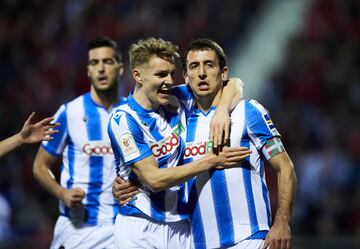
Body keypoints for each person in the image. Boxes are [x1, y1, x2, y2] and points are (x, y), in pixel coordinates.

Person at [114, 38, 297, 249]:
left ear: (223, 73)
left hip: (250, 239)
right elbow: (159, 165)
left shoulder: (249, 112)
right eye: (194, 66)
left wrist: (282, 223)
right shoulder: (178, 117)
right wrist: (124, 180)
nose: (202, 73)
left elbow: (285, 167)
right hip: (197, 242)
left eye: (209, 65)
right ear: (185, 77)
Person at [33, 36, 125, 249]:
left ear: (120, 69)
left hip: (120, 229)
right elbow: (40, 165)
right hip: (76, 230)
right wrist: (62, 193)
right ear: (88, 71)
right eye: (94, 63)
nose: (101, 68)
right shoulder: (69, 113)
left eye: (107, 62)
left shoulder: (132, 114)